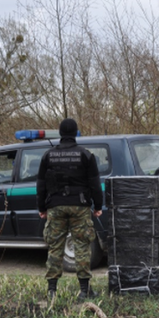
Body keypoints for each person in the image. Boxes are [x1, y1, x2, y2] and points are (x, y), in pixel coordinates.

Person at [37, 118, 103, 300]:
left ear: (60, 133)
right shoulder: (86, 155)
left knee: (55, 246)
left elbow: (41, 185)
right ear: (75, 133)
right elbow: (95, 184)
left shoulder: (48, 155)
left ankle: (52, 291)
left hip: (55, 206)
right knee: (82, 246)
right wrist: (98, 206)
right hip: (79, 206)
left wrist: (41, 207)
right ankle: (84, 290)